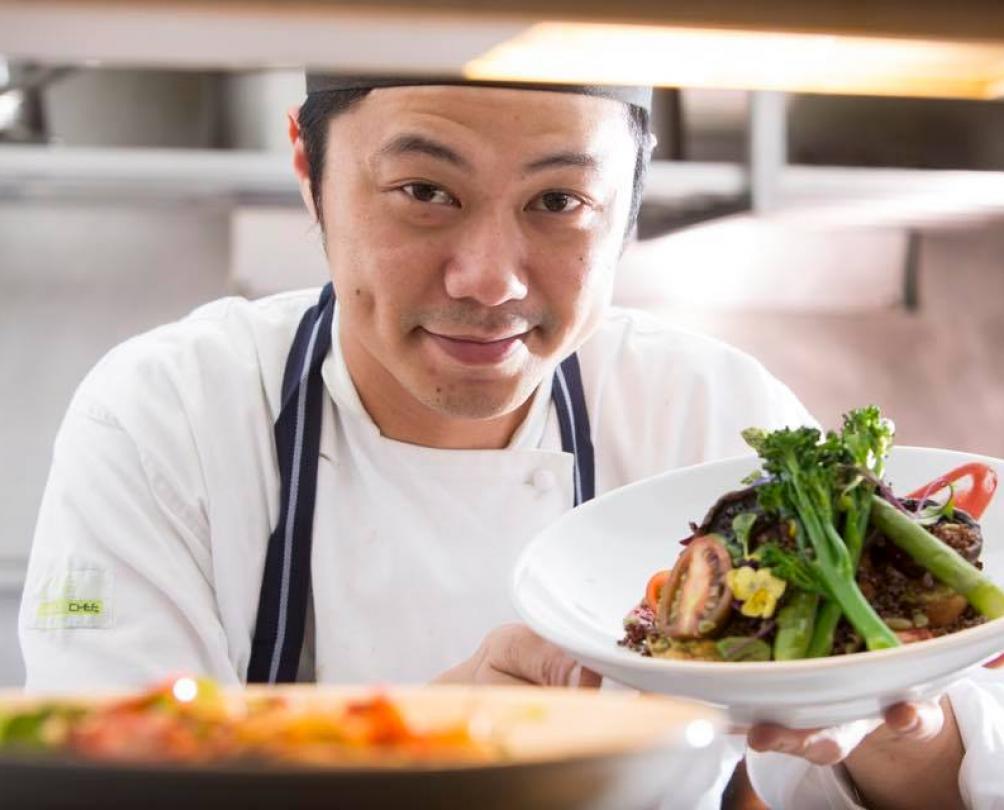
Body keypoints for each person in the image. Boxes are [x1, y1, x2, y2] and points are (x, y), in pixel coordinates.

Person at [18, 74, 1000, 809]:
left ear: (627, 207)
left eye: (558, 203)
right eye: (423, 191)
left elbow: (881, 788)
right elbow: (116, 787)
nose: (488, 279)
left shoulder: (708, 412)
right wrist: (430, 752)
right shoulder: (167, 418)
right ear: (309, 170)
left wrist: (897, 732)